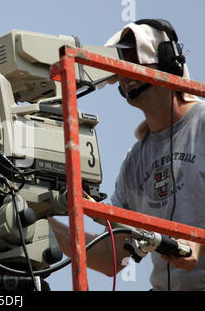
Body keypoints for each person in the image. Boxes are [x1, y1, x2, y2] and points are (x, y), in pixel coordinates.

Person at [49, 19, 205, 291]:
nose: (126, 72)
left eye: (137, 60)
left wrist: (197, 242)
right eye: (122, 62)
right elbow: (111, 257)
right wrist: (43, 225)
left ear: (170, 61)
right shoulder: (134, 163)